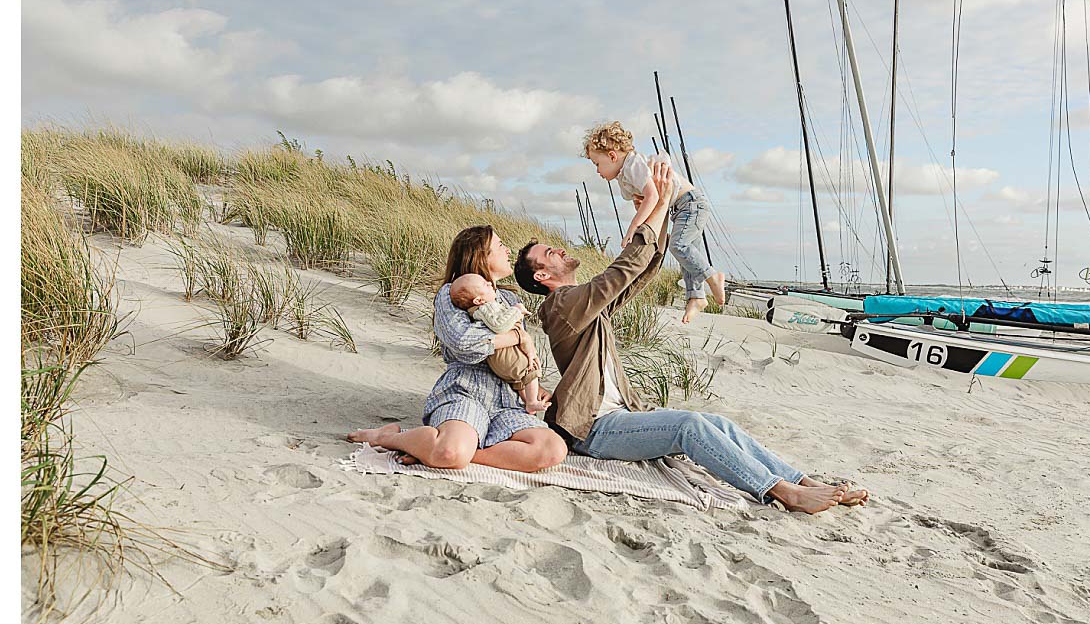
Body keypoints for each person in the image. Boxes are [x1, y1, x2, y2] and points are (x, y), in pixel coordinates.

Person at [515, 162, 868, 514]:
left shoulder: (582, 306)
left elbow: (638, 275)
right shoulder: (561, 306)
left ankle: (803, 482)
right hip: (594, 430)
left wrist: (662, 208)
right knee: (690, 425)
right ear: (543, 274)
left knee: (719, 423)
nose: (559, 250)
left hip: (620, 415)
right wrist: (659, 201)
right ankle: (782, 493)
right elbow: (621, 272)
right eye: (549, 254)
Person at [347, 226, 567, 472]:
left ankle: (444, 451)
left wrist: (531, 385)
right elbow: (464, 343)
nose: (507, 250)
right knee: (449, 452)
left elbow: (513, 357)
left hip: (508, 399)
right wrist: (517, 335)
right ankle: (387, 438)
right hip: (466, 390)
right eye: (500, 246)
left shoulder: (508, 300)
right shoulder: (451, 293)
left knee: (552, 450)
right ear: (480, 257)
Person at [583, 120, 726, 324]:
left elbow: (652, 197)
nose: (597, 170)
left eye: (597, 164)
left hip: (691, 203)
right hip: (678, 208)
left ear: (612, 156)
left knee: (679, 246)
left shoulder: (633, 165)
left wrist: (633, 227)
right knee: (687, 256)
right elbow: (645, 200)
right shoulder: (625, 176)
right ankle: (696, 296)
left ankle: (712, 277)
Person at [449, 272, 548, 414]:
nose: (489, 284)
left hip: (499, 359)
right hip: (505, 355)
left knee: (518, 381)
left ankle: (528, 403)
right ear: (479, 300)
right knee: (530, 369)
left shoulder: (481, 309)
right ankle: (532, 402)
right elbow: (500, 325)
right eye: (484, 284)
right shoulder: (487, 308)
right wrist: (516, 310)